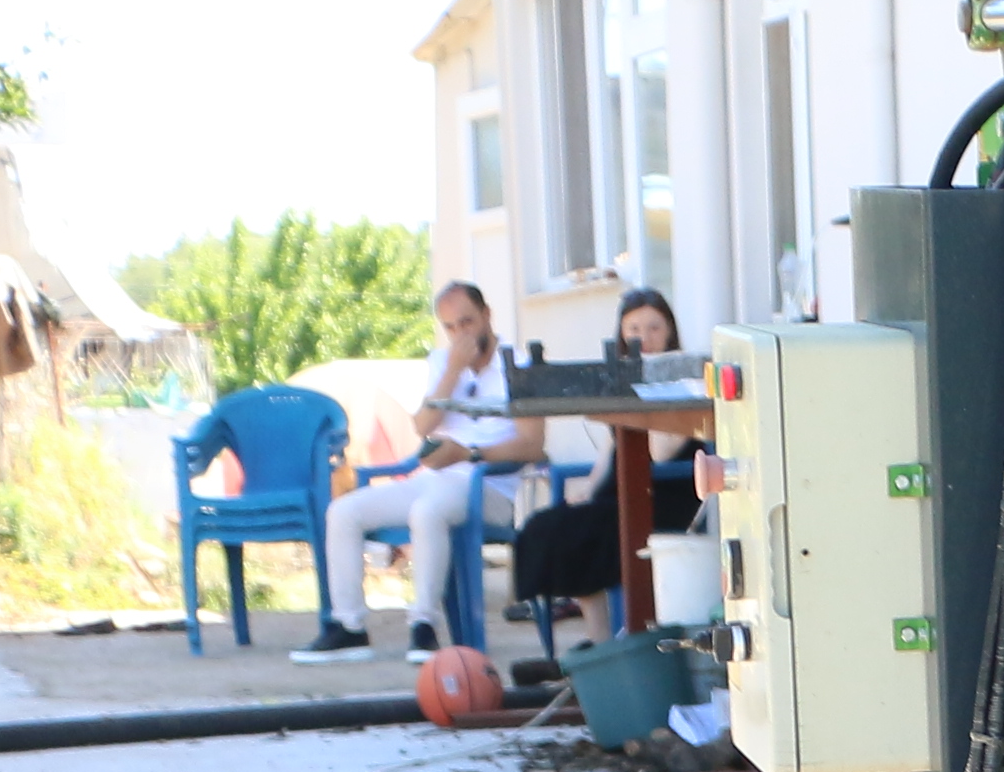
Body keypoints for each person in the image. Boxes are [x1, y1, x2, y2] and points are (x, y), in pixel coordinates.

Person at [298, 281, 531, 661]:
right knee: (343, 511)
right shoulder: (443, 364)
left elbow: (532, 445)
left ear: (487, 316)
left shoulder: (519, 366)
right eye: (450, 327)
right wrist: (453, 371)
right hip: (435, 479)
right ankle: (349, 627)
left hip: (487, 486)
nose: (460, 334)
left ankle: (423, 626)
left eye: (467, 322)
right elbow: (423, 425)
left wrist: (469, 453)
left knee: (427, 512)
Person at [510, 289, 702, 639]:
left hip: (662, 495)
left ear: (670, 333)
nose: (643, 337)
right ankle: (596, 639)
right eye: (634, 329)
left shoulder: (683, 382)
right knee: (546, 527)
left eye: (653, 328)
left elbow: (659, 452)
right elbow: (611, 450)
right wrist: (588, 486)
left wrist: (645, 390)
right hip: (622, 492)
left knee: (588, 534)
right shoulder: (620, 380)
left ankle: (623, 638)